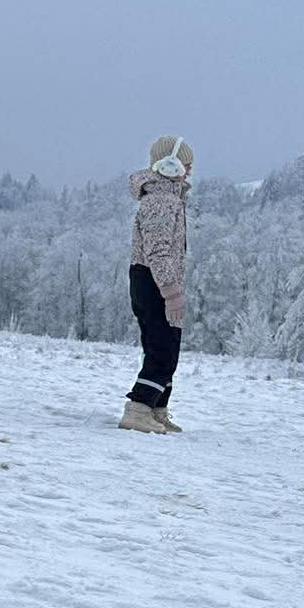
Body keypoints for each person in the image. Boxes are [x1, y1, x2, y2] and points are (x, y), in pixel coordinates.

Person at [120, 135, 194, 434]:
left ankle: (156, 409)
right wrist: (171, 291)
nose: (190, 169)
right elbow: (158, 250)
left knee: (167, 346)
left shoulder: (170, 198)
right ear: (170, 165)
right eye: (186, 163)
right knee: (162, 347)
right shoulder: (161, 200)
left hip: (156, 280)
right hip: (153, 280)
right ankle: (138, 409)